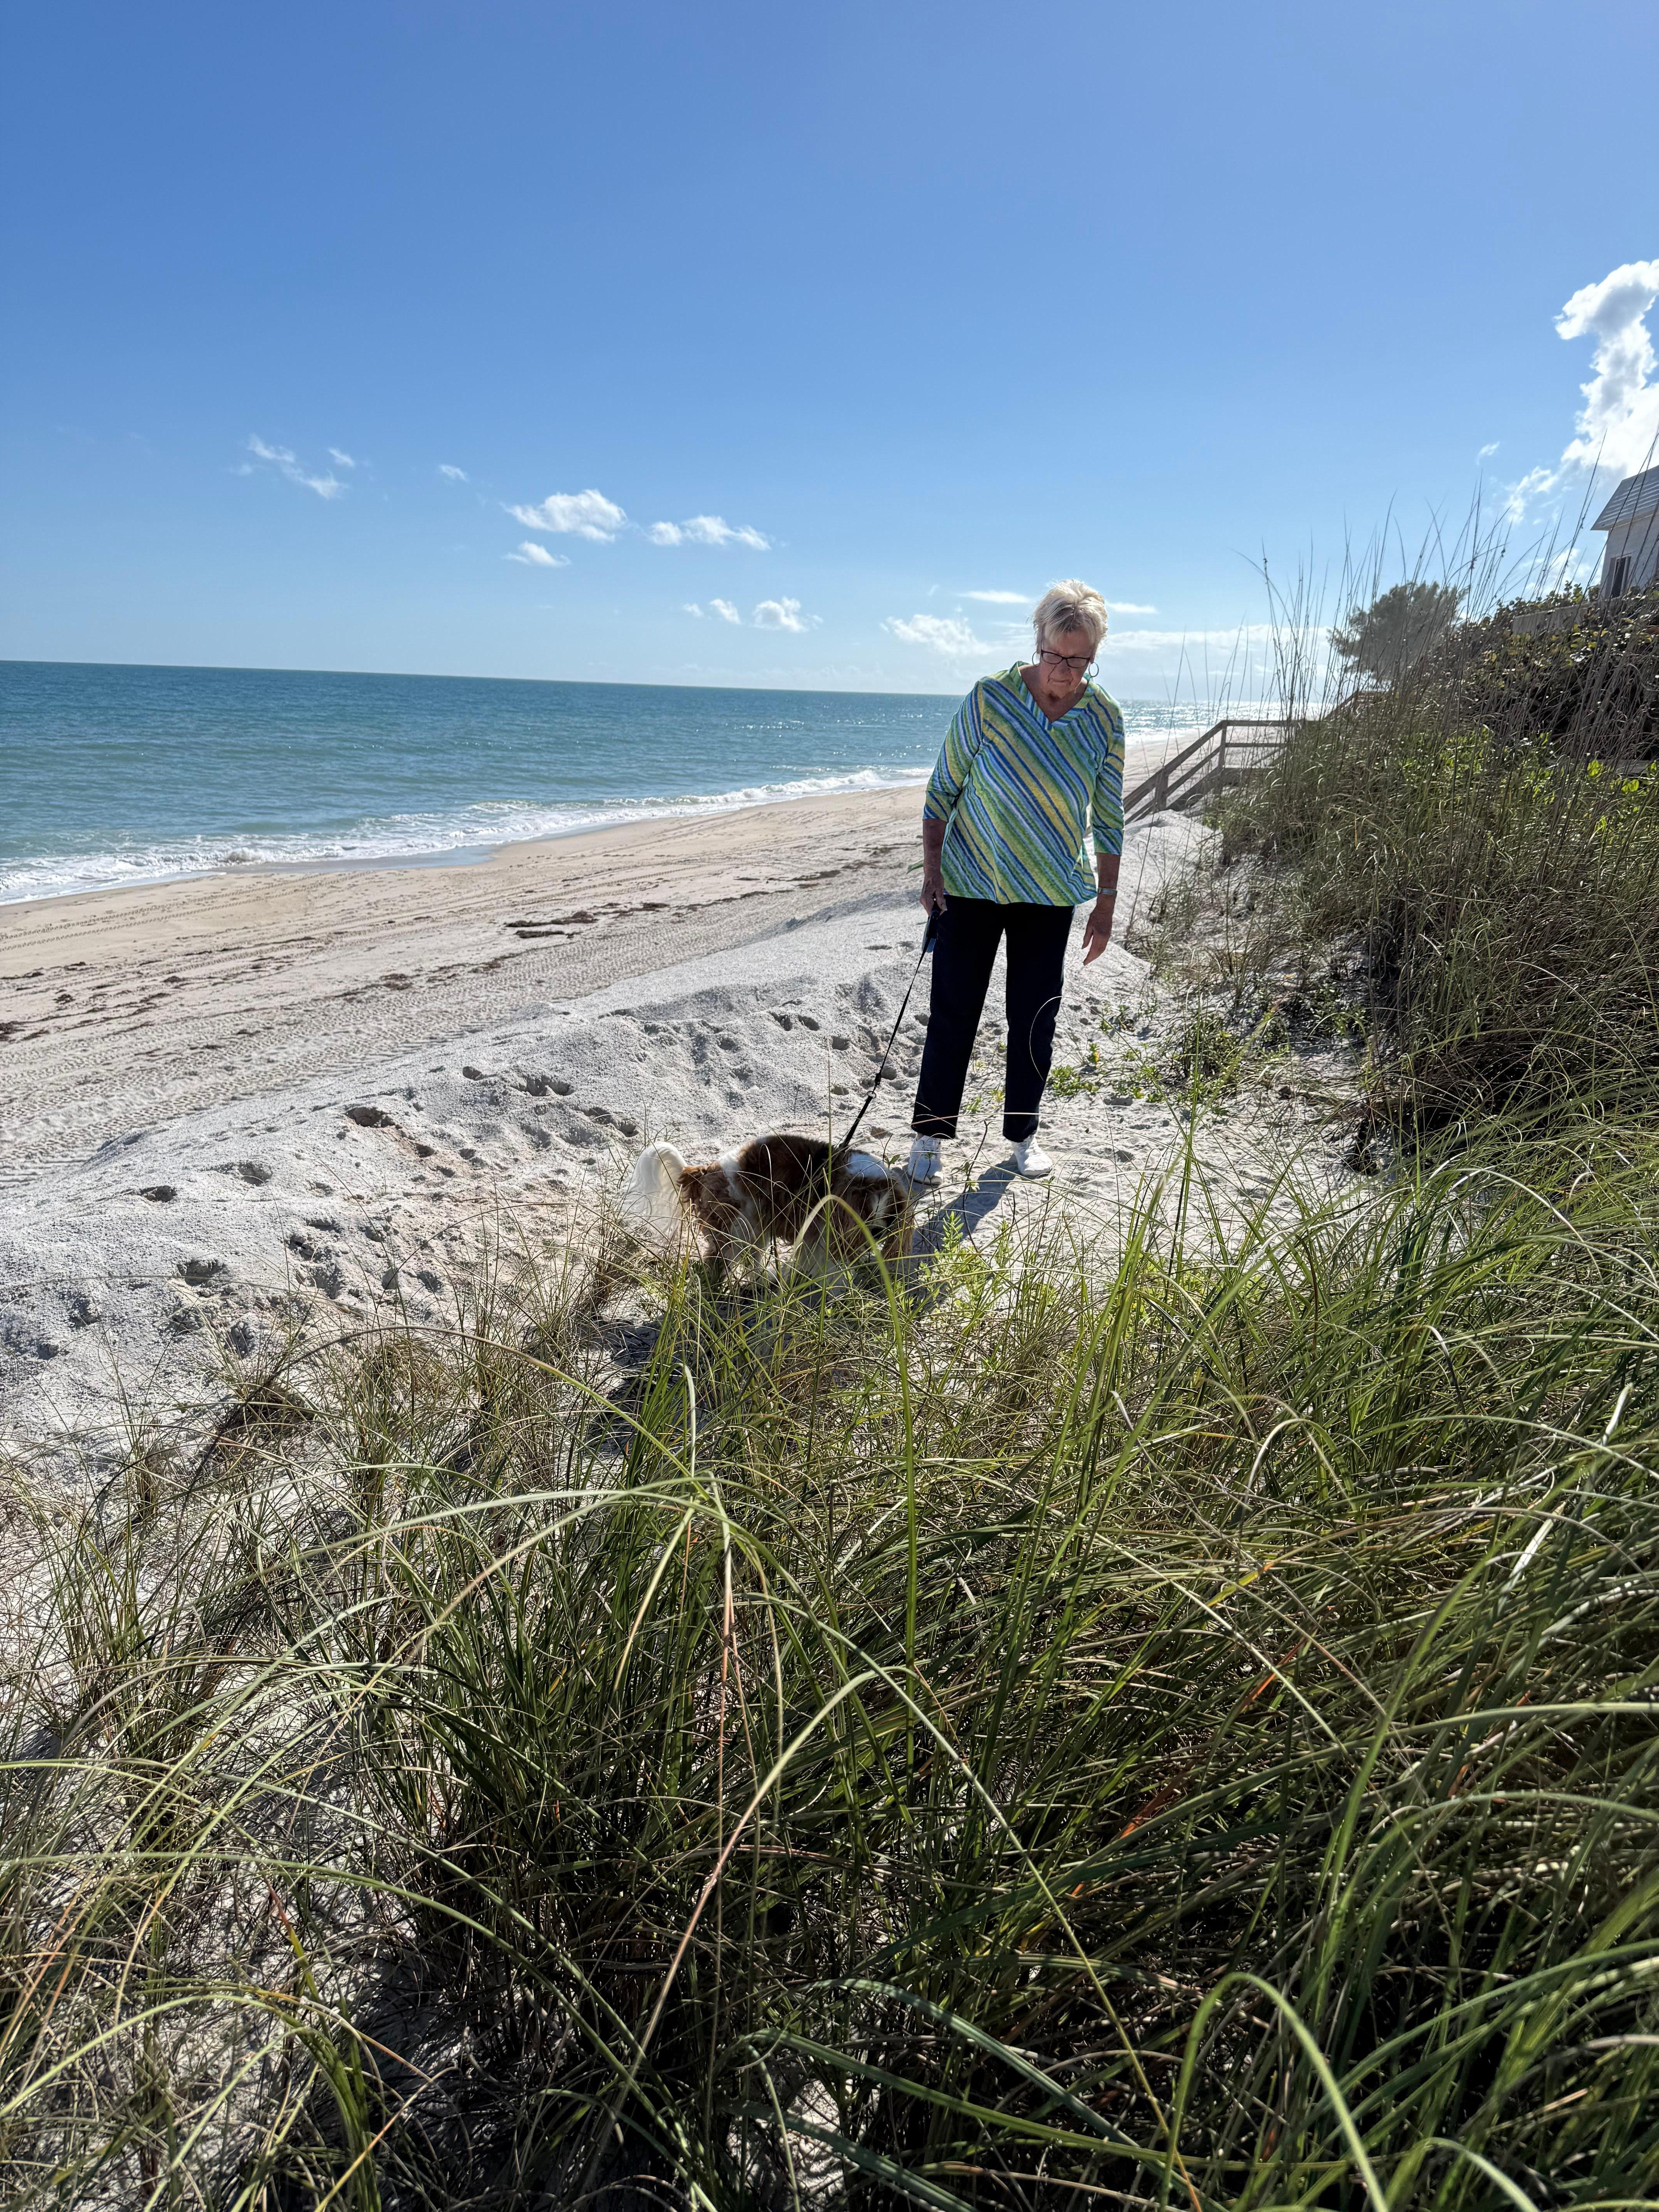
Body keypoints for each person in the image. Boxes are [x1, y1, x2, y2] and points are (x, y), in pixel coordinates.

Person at [907, 581, 1124, 1185]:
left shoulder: (1103, 720)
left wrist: (1105, 906)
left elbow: (1109, 817)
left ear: (1092, 657)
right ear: (1039, 642)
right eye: (1055, 655)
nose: (1063, 672)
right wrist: (931, 872)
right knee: (954, 1012)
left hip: (1050, 893)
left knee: (1036, 1016)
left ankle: (1023, 1134)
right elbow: (941, 791)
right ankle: (930, 1136)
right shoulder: (990, 699)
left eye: (1078, 661)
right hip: (970, 882)